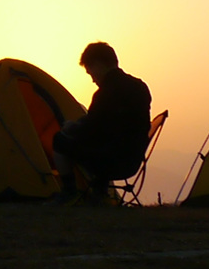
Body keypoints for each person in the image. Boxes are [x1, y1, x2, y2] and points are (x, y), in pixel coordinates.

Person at [52, 41, 154, 203]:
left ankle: (69, 192)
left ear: (98, 65)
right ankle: (99, 192)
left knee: (60, 140)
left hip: (110, 161)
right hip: (133, 159)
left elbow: (92, 129)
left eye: (90, 72)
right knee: (104, 143)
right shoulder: (140, 87)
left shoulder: (104, 94)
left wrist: (72, 127)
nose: (92, 79)